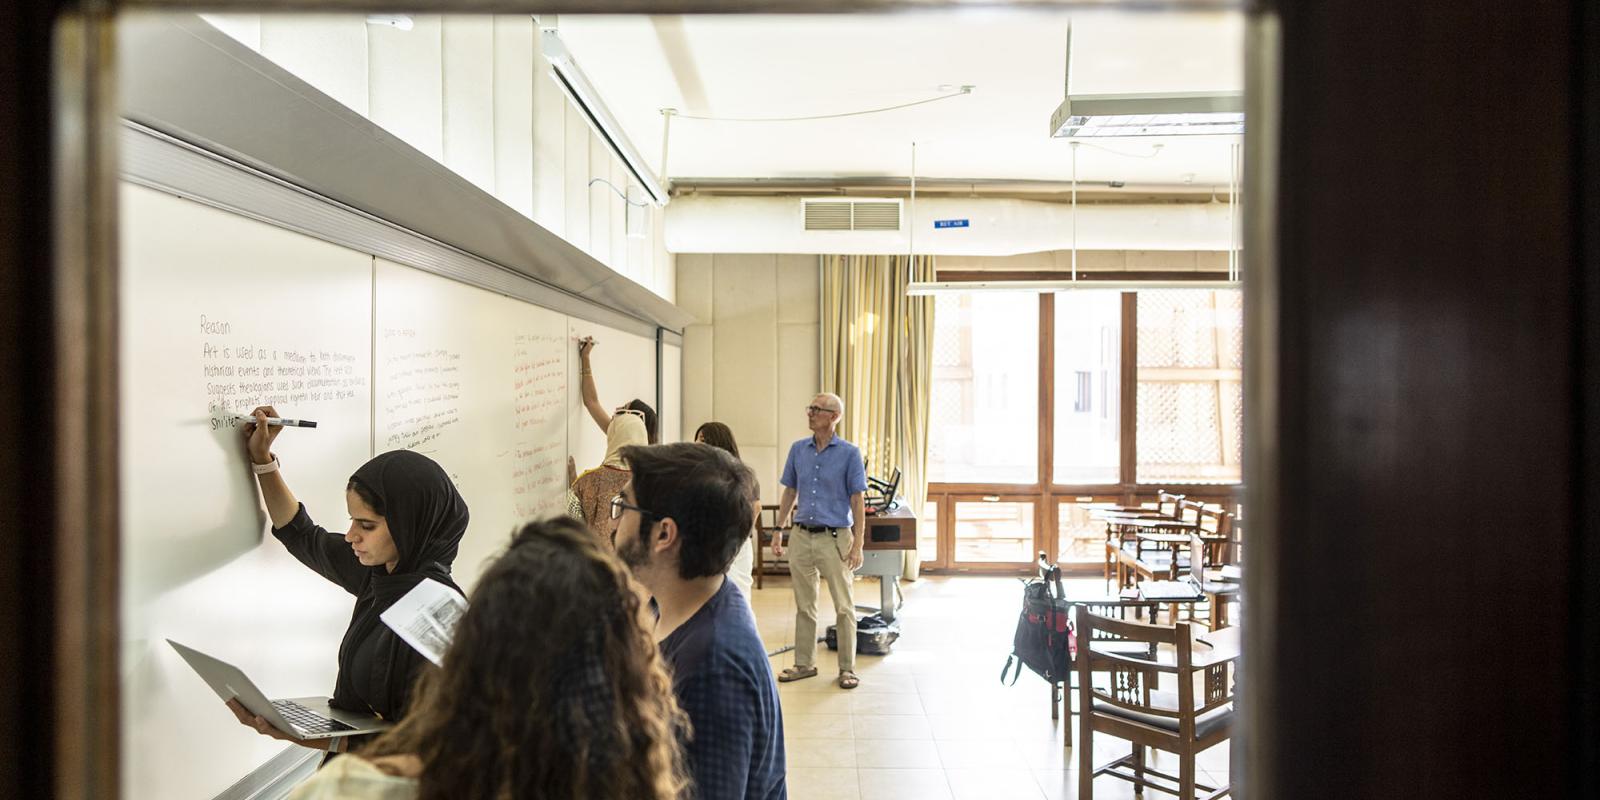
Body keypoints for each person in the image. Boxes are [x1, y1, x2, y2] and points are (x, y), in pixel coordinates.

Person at [286, 517, 690, 800]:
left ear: (471, 654)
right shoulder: (638, 783)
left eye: (366, 523)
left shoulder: (350, 790)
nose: (354, 535)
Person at [228, 406, 469, 753]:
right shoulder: (383, 575)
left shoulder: (438, 618)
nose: (351, 535)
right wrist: (262, 461)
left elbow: (421, 750)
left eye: (366, 525)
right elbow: (301, 534)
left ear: (409, 526)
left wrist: (298, 734)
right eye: (352, 520)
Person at [614, 443, 786, 800]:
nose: (615, 521)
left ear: (664, 534)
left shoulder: (713, 667)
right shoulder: (676, 606)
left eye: (623, 506)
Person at [771, 393, 867, 690]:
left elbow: (857, 499)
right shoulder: (798, 449)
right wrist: (779, 529)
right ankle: (804, 663)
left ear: (834, 416)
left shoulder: (849, 453)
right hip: (801, 535)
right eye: (809, 407)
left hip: (836, 537)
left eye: (817, 409)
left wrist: (859, 543)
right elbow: (790, 491)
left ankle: (847, 669)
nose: (810, 413)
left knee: (844, 606)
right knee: (804, 604)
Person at [694, 422, 758, 599]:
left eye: (704, 440)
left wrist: (734, 543)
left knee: (735, 594)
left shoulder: (738, 472)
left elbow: (755, 508)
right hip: (706, 544)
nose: (698, 444)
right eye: (697, 439)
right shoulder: (698, 473)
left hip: (733, 543)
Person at [566, 411, 649, 549]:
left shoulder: (586, 482)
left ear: (612, 438)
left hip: (598, 566)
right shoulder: (653, 483)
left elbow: (574, 527)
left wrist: (574, 482)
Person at [579, 336, 659, 444]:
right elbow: (591, 401)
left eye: (623, 409)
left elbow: (591, 402)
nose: (617, 409)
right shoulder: (621, 436)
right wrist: (585, 357)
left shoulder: (634, 456)